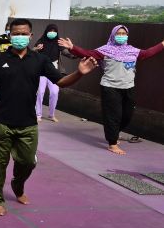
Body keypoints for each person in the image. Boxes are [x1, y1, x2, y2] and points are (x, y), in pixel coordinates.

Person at [0, 18, 98, 216]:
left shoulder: (40, 60)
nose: (19, 37)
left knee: (29, 161)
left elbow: (61, 81)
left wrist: (80, 73)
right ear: (9, 36)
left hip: (28, 123)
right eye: (16, 34)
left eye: (23, 34)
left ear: (30, 36)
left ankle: (17, 183)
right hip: (0, 121)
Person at [59, 26, 164, 155]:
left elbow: (148, 53)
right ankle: (112, 143)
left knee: (127, 115)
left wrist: (162, 44)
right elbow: (87, 53)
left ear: (127, 35)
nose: (121, 35)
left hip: (128, 87)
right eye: (118, 33)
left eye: (123, 33)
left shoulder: (133, 51)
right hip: (110, 87)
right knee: (113, 116)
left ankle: (114, 133)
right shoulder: (105, 51)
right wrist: (72, 47)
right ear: (113, 35)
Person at [33, 24, 68, 123]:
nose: (52, 33)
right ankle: (38, 114)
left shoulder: (58, 42)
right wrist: (36, 49)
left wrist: (75, 54)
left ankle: (51, 114)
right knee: (40, 92)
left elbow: (65, 52)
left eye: (54, 31)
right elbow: (32, 51)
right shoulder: (41, 41)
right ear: (46, 31)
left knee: (54, 92)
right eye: (50, 30)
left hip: (54, 71)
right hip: (41, 71)